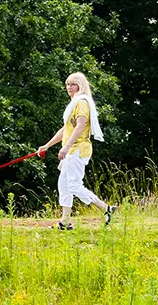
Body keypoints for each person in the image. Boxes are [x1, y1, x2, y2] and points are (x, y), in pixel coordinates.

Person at [37, 71, 114, 230]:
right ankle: (65, 222)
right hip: (71, 150)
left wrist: (65, 147)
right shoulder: (74, 104)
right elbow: (66, 129)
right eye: (67, 84)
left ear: (80, 85)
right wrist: (47, 146)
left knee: (73, 185)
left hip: (78, 149)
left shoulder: (82, 103)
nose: (69, 87)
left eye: (73, 84)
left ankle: (105, 208)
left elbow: (80, 127)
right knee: (63, 184)